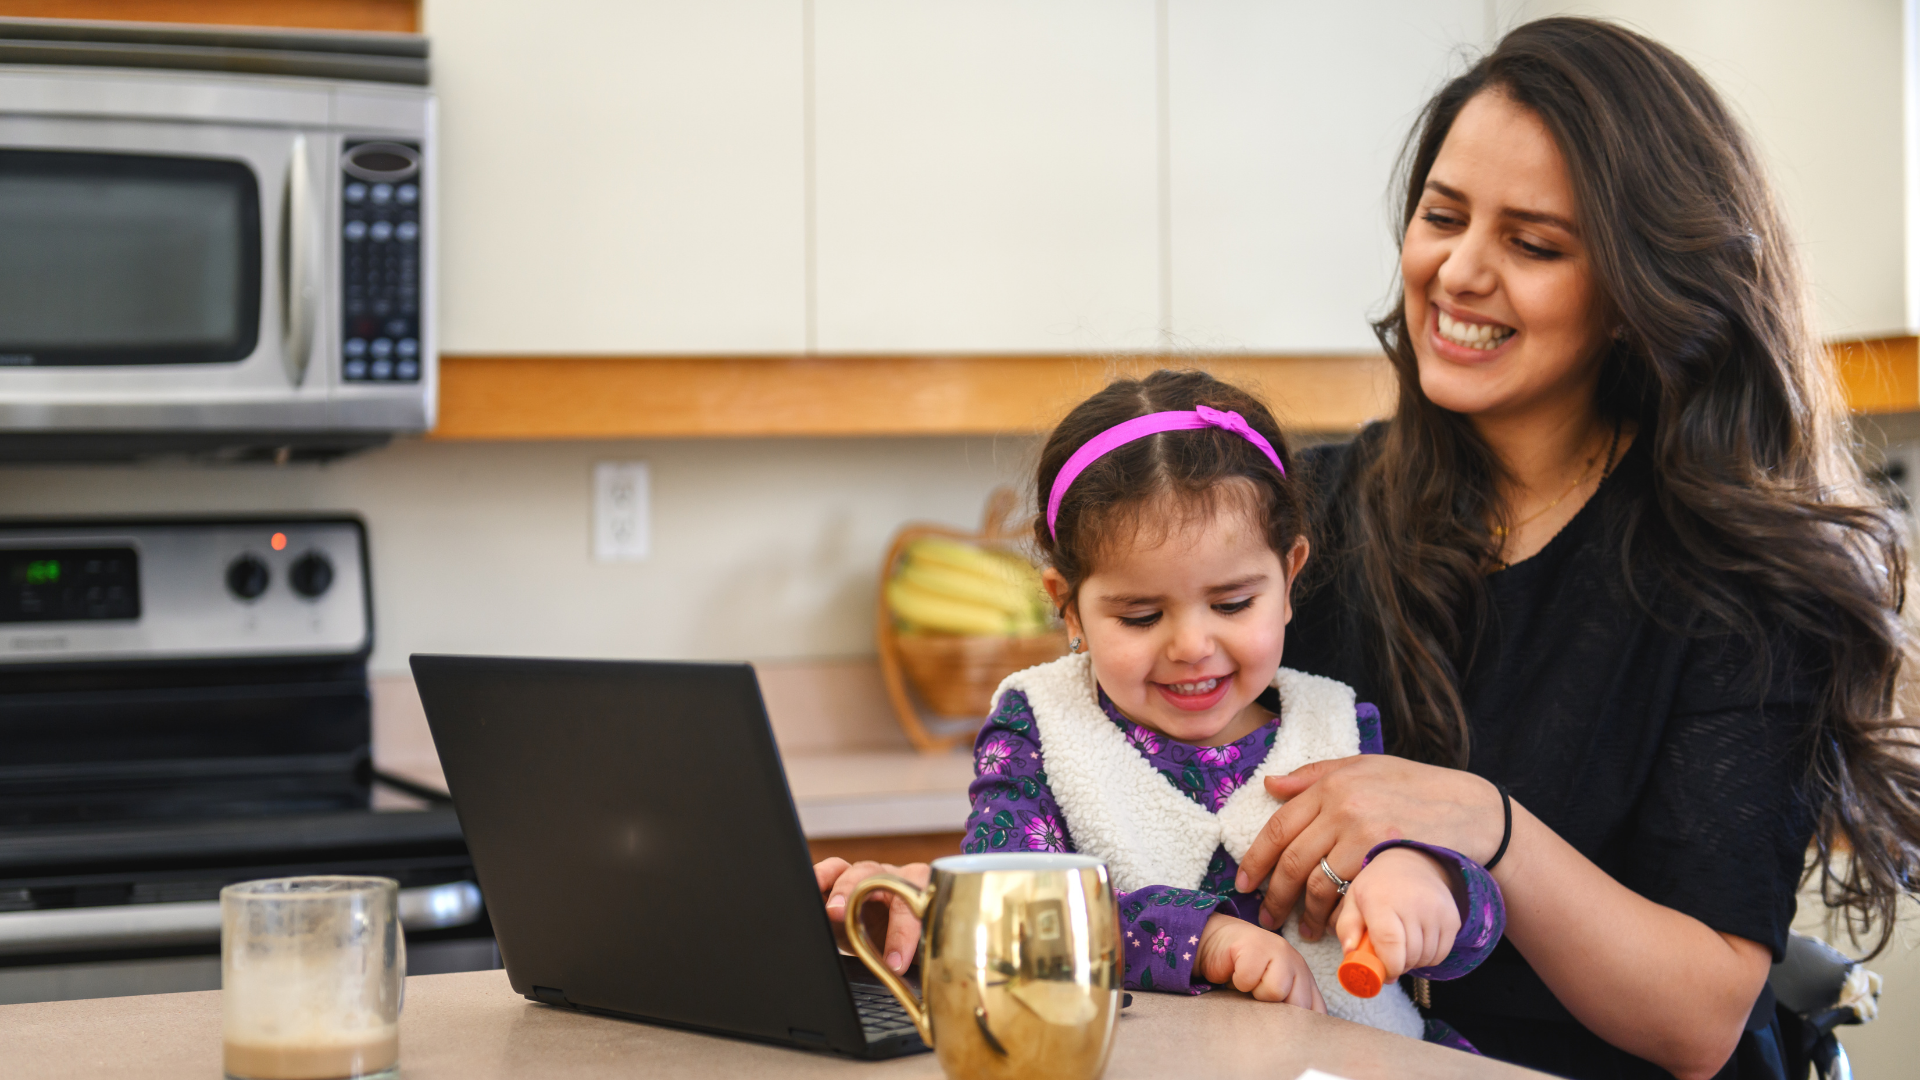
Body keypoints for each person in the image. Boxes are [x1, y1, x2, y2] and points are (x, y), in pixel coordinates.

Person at [1218, 17, 1920, 1080]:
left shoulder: (1743, 584)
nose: (1458, 271)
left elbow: (1699, 1021)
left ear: (1640, 296)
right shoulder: (1305, 514)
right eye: (1441, 217)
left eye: (1533, 244)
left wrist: (1478, 820)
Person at [819, 369, 1505, 1047]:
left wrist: (1432, 884)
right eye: (1142, 615)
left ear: (1290, 576)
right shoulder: (1038, 729)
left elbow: (1471, 934)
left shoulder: (1340, 723)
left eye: (1234, 604)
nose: (1192, 646)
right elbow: (1013, 914)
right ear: (1067, 605)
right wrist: (1200, 939)